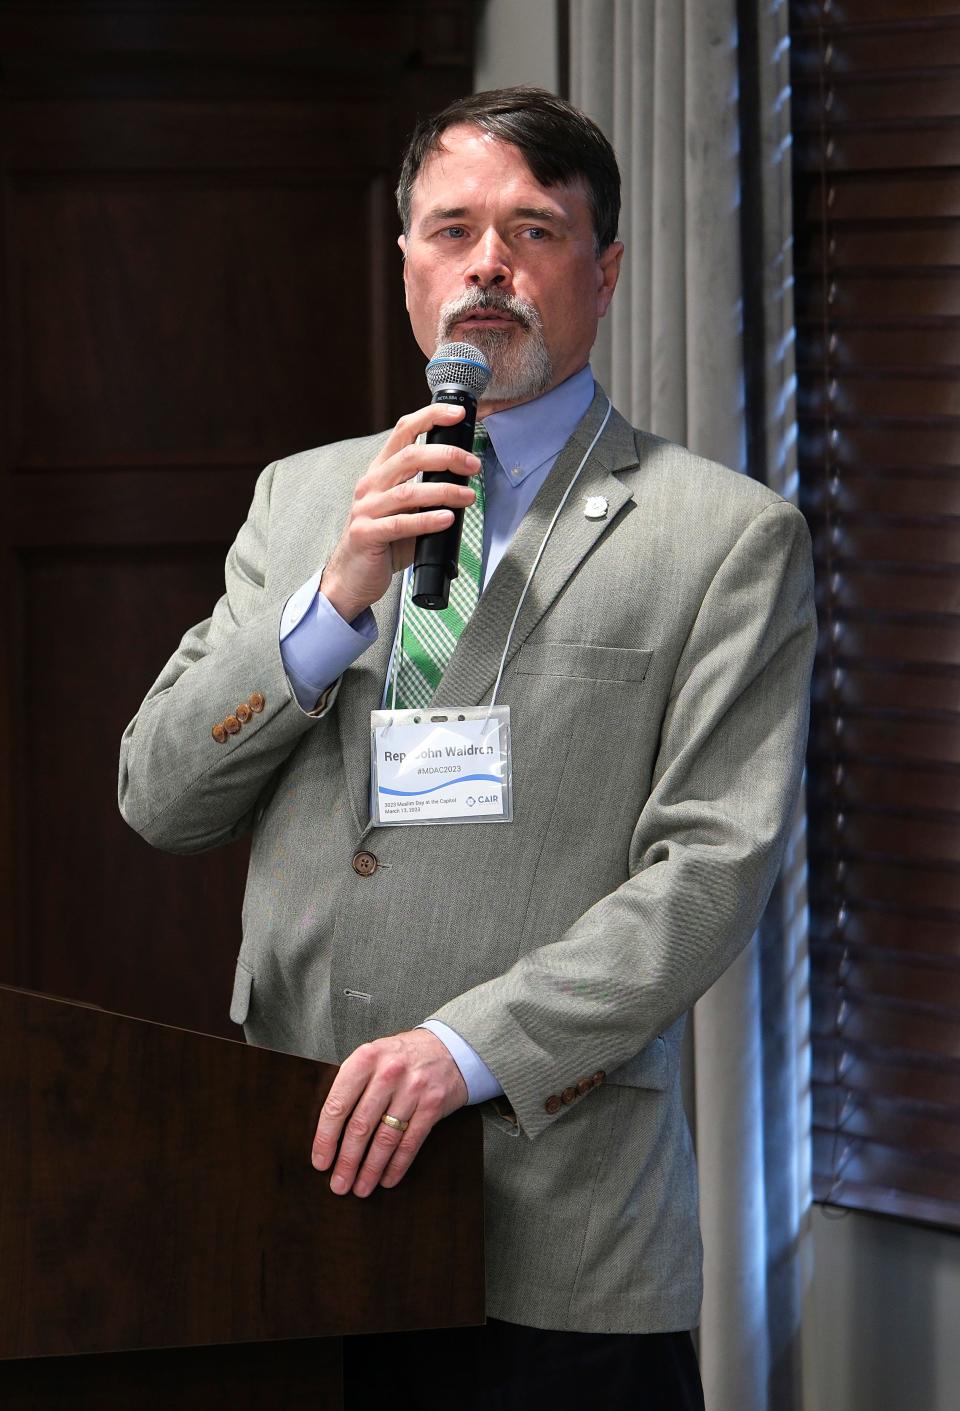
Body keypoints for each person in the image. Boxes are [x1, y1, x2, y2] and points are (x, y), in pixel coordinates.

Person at [119, 87, 815, 1410]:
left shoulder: (725, 538)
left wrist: (467, 1047)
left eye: (533, 228)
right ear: (408, 266)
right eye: (452, 227)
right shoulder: (304, 500)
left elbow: (707, 875)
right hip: (292, 1212)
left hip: (558, 1224)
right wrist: (332, 599)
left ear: (602, 272)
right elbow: (158, 795)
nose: (487, 261)